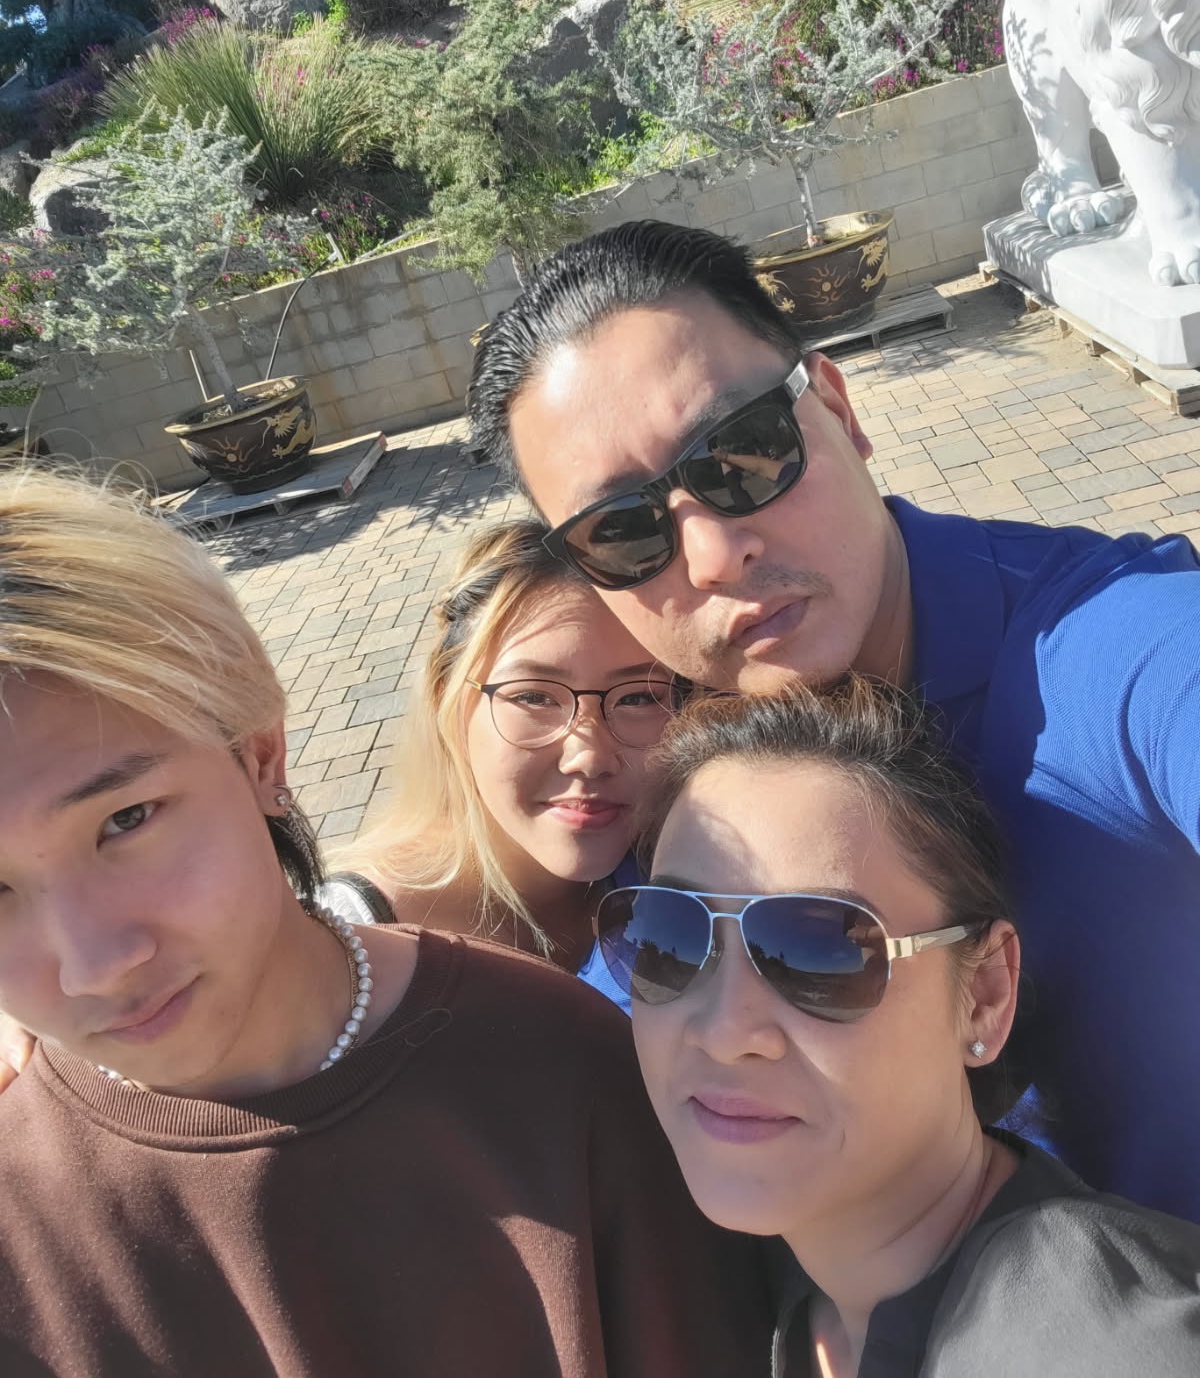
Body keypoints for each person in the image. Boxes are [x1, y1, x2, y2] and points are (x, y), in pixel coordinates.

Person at [467, 218, 1200, 1220]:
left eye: (744, 451)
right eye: (623, 532)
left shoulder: (1108, 652)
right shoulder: (684, 791)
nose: (715, 554)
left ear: (840, 412)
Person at [0, 467, 772, 1377]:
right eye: (533, 696)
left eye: (126, 820)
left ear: (262, 755)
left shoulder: (575, 1057)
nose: (93, 964)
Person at [595, 680, 1200, 1376]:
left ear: (984, 995)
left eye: (820, 950)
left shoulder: (1111, 1348)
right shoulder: (735, 1289)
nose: (725, 1031)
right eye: (669, 935)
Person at [322, 517, 679, 1008]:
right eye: (533, 697)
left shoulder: (685, 867)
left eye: (637, 697)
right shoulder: (349, 948)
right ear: (448, 703)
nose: (590, 757)